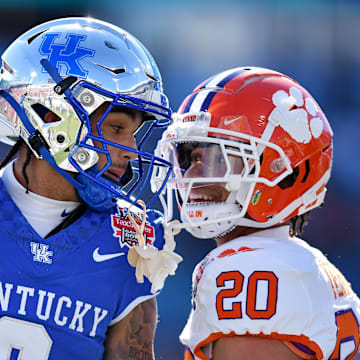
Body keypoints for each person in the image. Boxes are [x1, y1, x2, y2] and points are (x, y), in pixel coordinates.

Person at [0, 17, 181, 359]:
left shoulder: (130, 240)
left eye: (133, 133)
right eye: (115, 128)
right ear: (51, 115)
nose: (130, 150)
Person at [152, 67, 360, 359]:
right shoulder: (298, 262)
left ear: (283, 172)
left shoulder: (250, 269)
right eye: (190, 157)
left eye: (217, 157)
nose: (193, 173)